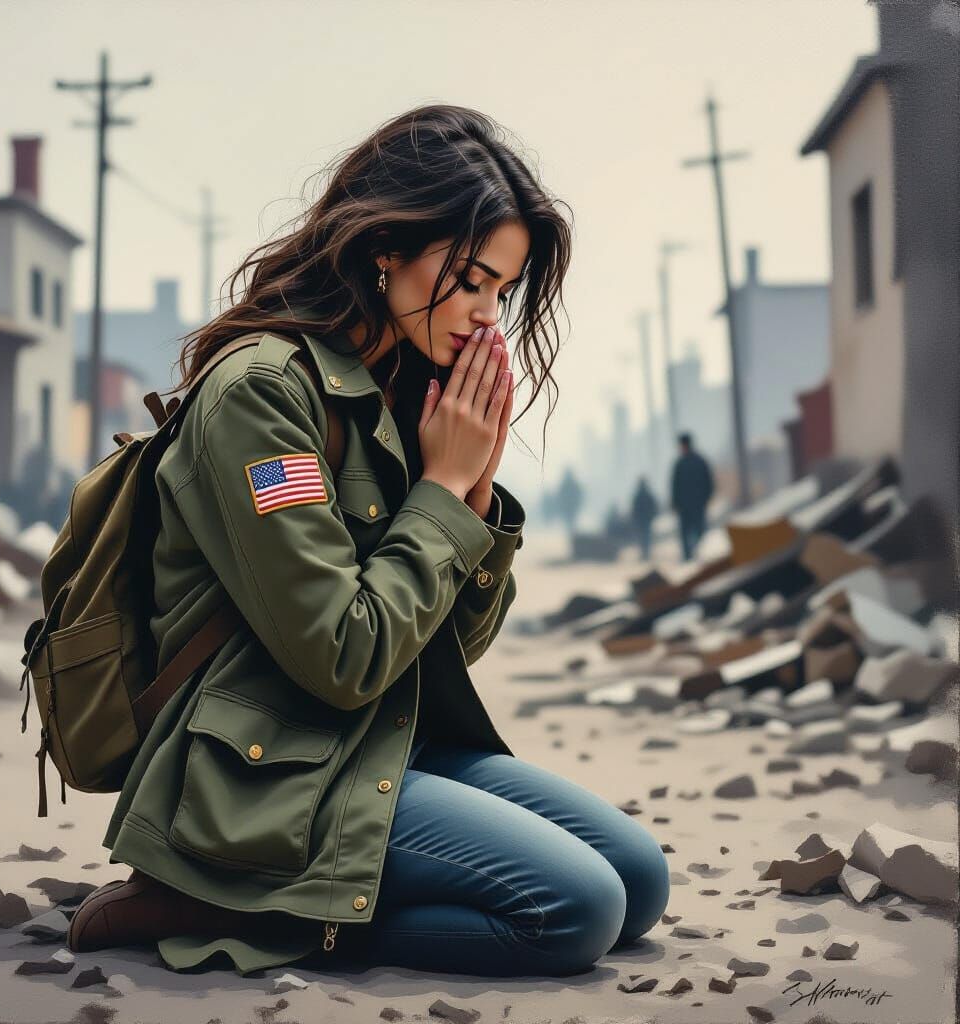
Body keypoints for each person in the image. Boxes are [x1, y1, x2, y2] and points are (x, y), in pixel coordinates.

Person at [66, 103, 669, 979]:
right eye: (466, 278)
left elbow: (440, 649)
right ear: (387, 246)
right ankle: (218, 892)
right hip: (267, 773)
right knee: (576, 910)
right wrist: (435, 494)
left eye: (500, 290)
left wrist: (472, 493)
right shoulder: (262, 395)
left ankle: (281, 893)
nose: (484, 316)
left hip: (381, 738)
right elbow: (343, 657)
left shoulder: (397, 383)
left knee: (639, 880)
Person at [670, 431, 714, 561]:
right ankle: (693, 556)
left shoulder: (681, 463)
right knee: (696, 532)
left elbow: (675, 486)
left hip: (689, 506)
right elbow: (709, 483)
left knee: (691, 532)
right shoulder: (699, 461)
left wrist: (675, 503)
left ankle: (690, 556)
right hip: (694, 505)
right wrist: (705, 499)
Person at [630, 476, 659, 560]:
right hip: (645, 519)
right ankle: (645, 553)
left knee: (643, 536)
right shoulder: (647, 494)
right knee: (646, 536)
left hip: (642, 519)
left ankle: (644, 553)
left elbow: (634, 508)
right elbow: (654, 506)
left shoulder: (638, 495)